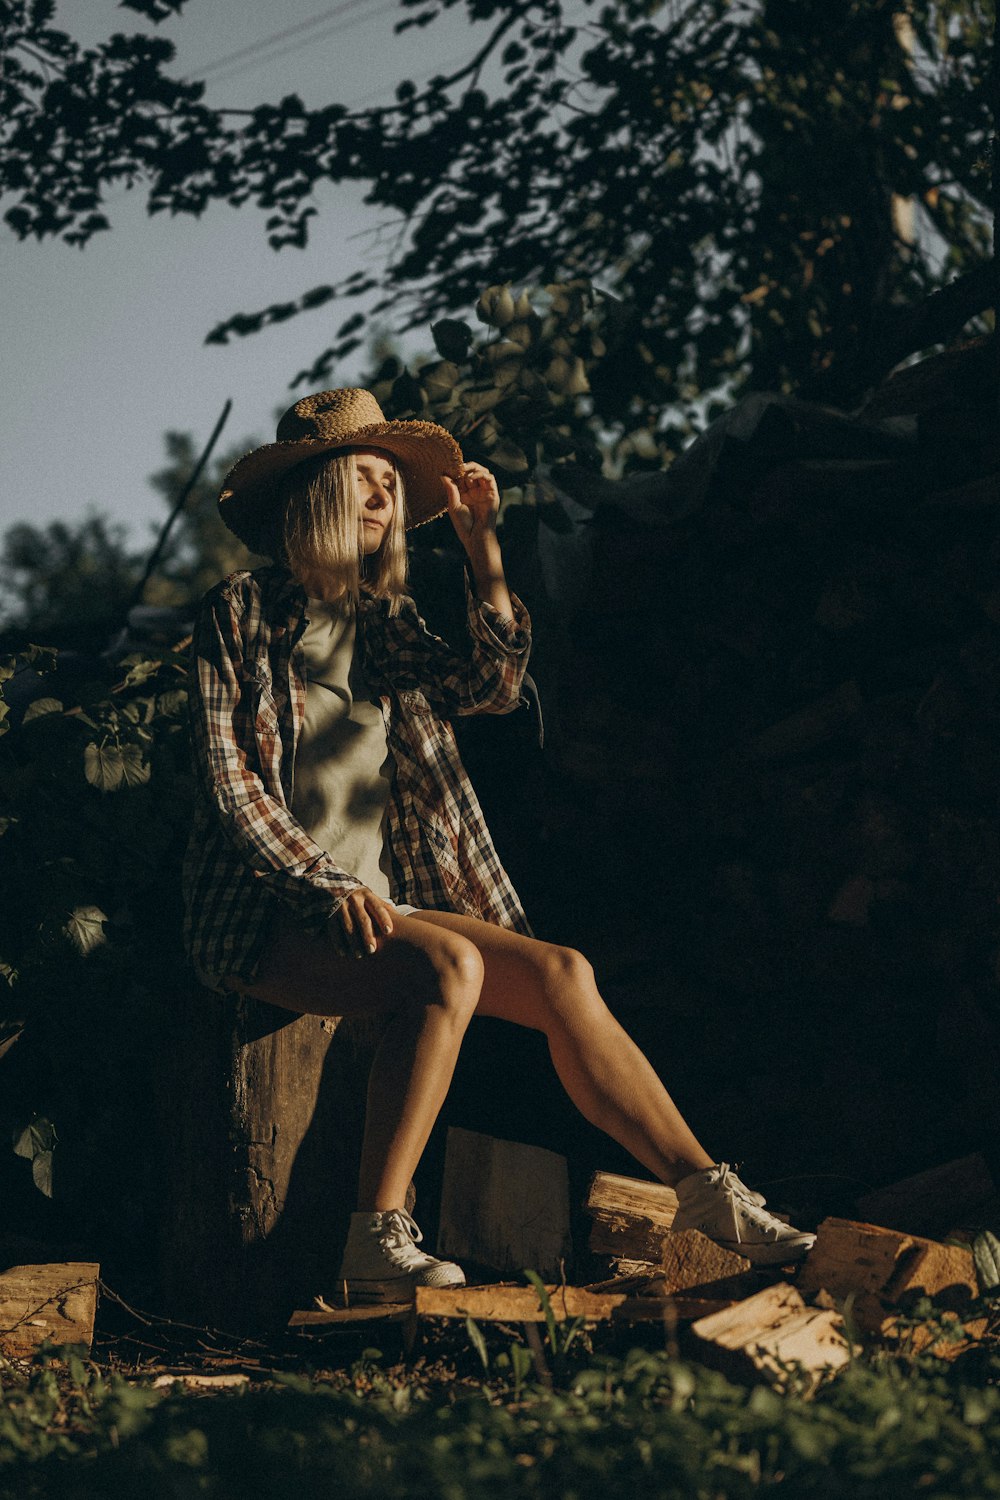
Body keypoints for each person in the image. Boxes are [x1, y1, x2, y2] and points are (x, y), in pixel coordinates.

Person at [183, 387, 814, 1302]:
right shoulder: (239, 612)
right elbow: (229, 778)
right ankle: (377, 1236)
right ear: (317, 492)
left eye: (393, 487)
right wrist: (321, 885)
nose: (384, 498)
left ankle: (707, 1194)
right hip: (265, 913)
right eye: (365, 477)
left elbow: (488, 686)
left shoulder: (385, 623)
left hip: (381, 905)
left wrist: (482, 552)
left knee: (563, 972)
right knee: (447, 969)